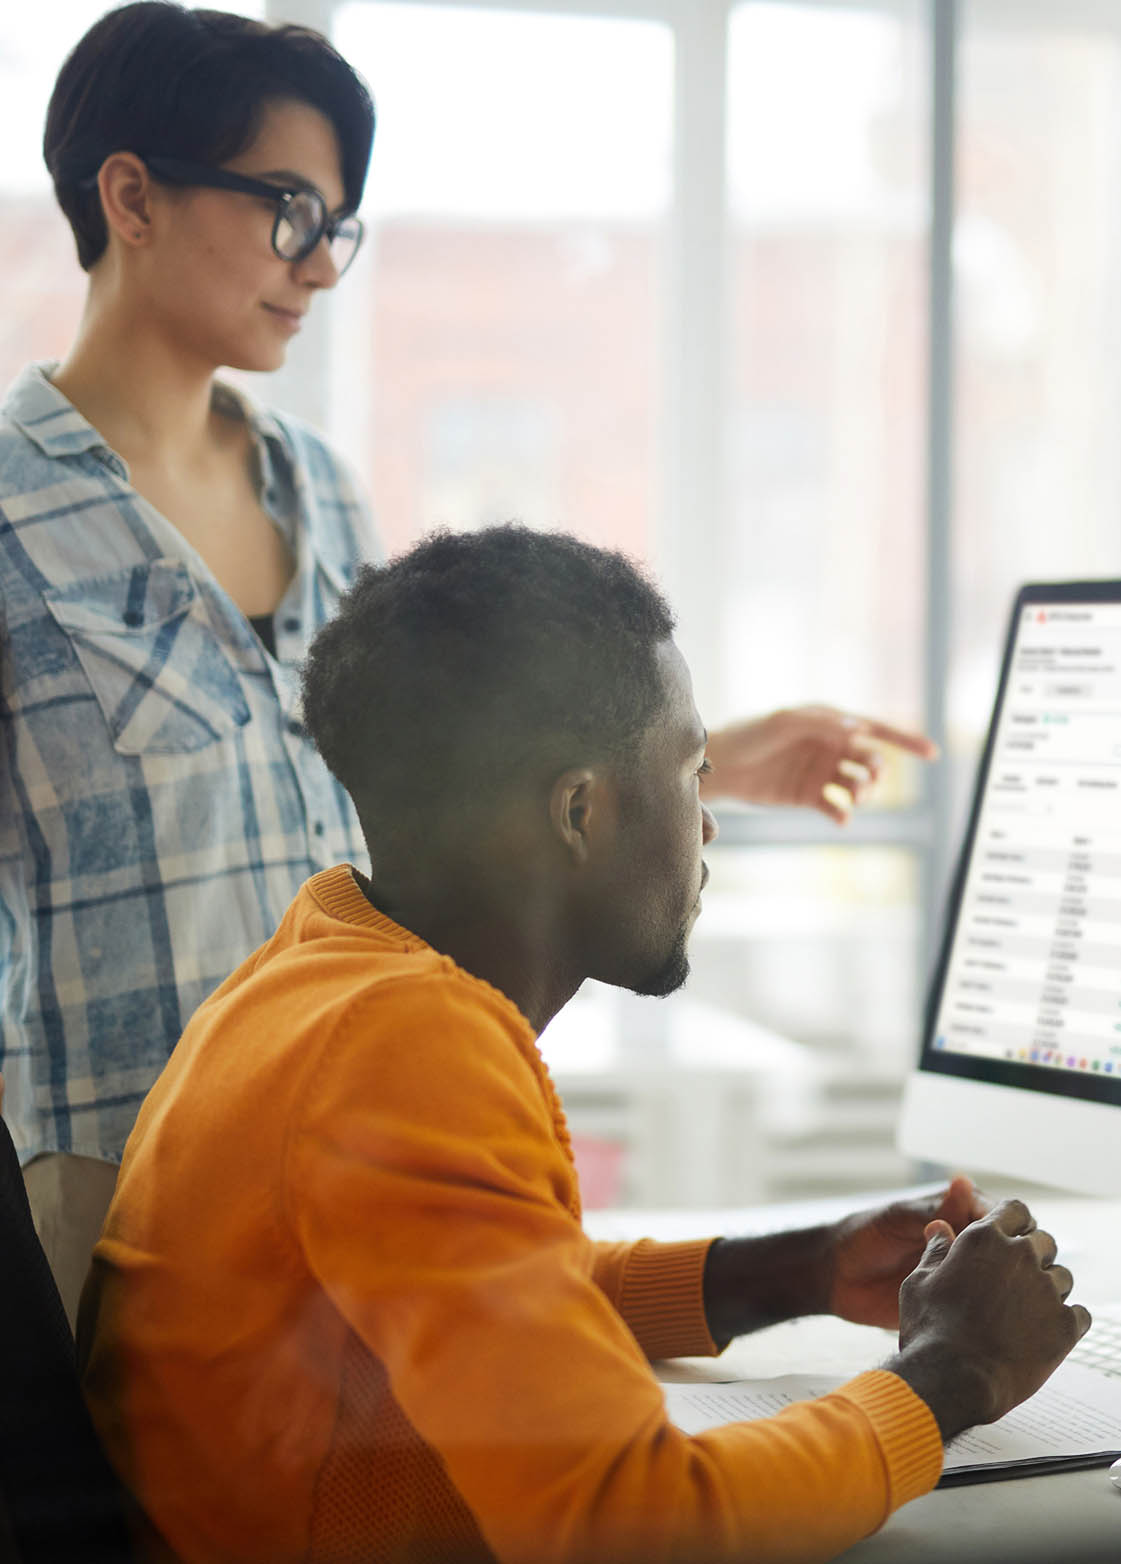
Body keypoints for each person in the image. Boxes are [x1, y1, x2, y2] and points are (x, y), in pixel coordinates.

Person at [0, 1, 933, 1329]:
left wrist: (694, 760)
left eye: (337, 226)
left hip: (371, 1159)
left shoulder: (317, 489)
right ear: (132, 196)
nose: (321, 266)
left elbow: (420, 787)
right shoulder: (10, 517)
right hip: (120, 1237)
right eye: (286, 209)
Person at [77, 525, 1088, 1563]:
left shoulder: (318, 965)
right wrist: (953, 1372)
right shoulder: (403, 1047)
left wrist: (803, 1268)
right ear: (577, 809)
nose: (707, 825)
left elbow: (500, 1304)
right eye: (693, 769)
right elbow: (632, 1520)